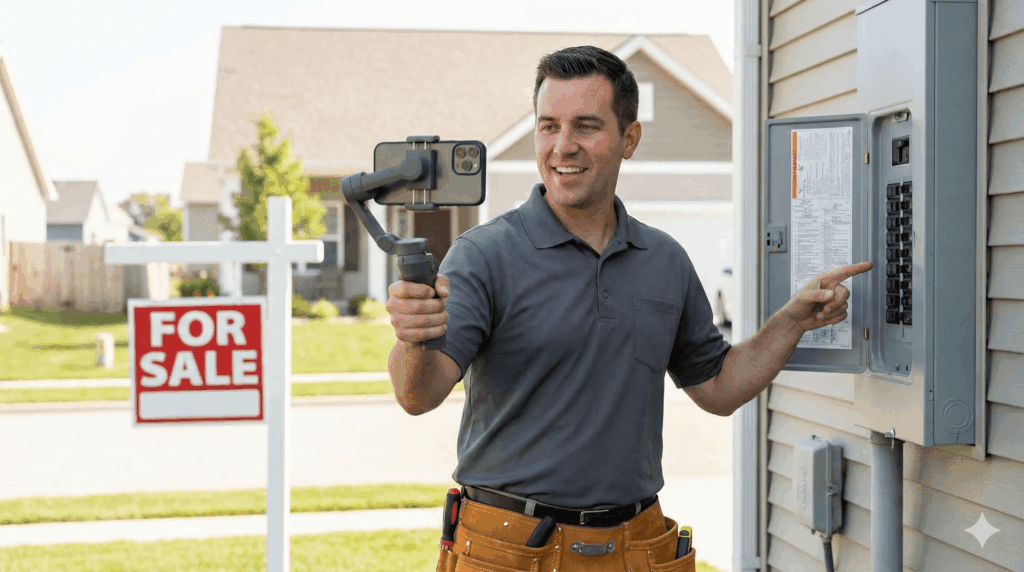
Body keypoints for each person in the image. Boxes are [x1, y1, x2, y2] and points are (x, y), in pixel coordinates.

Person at [385, 45, 872, 572]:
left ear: (630, 139)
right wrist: (414, 337)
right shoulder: (484, 256)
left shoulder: (663, 260)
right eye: (549, 126)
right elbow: (419, 394)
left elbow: (718, 387)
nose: (561, 147)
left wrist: (791, 322)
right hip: (509, 550)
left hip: (634, 549)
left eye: (585, 127)